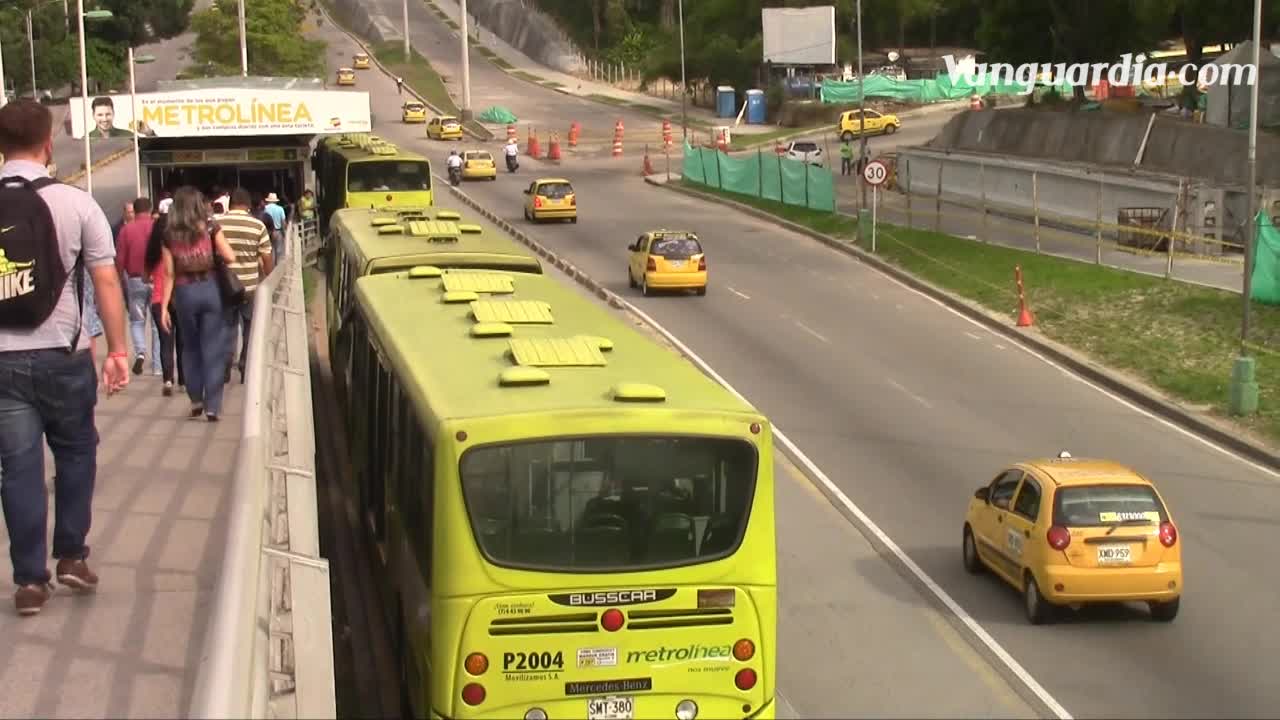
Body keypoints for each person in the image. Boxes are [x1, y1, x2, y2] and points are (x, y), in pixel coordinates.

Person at [0, 99, 129, 616]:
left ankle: (30, 581)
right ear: (49, 143)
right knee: (76, 453)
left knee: (19, 469)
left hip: (3, 363)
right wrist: (118, 350)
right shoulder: (77, 205)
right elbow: (106, 281)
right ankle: (71, 555)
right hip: (66, 355)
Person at [159, 186, 236, 422]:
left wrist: (163, 307)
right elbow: (230, 256)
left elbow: (169, 274)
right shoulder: (211, 227)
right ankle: (213, 406)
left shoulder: (168, 234)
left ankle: (196, 399)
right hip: (211, 289)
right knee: (213, 347)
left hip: (184, 293)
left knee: (190, 347)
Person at [216, 188, 273, 385]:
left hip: (224, 288)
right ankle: (245, 365)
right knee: (249, 327)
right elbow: (266, 257)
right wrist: (268, 278)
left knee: (227, 327)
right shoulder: (258, 226)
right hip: (250, 288)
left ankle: (225, 365)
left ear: (230, 204)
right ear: (248, 205)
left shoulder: (217, 224)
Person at [114, 196, 160, 376]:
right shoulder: (157, 227)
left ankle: (140, 352)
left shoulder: (126, 230)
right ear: (149, 210)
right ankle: (158, 366)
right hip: (156, 280)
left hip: (135, 280)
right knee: (157, 325)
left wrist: (118, 279)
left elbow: (120, 259)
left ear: (135, 210)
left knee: (137, 321)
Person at [145, 205, 182, 395]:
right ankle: (184, 378)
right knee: (182, 341)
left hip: (159, 300)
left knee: (165, 341)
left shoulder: (152, 252)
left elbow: (145, 277)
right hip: (179, 298)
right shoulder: (177, 248)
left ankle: (167, 380)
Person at [262, 192, 286, 261]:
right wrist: (284, 232)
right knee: (279, 250)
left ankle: (271, 268)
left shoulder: (265, 208)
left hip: (267, 231)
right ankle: (278, 268)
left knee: (270, 250)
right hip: (278, 231)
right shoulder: (280, 209)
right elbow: (283, 222)